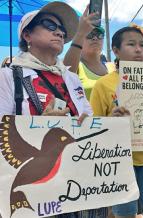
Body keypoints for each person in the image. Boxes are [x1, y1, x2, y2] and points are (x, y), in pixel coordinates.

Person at [0, 2, 106, 218]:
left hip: (74, 184)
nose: (59, 31)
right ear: (27, 36)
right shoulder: (8, 76)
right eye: (49, 24)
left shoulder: (72, 79)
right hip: (33, 193)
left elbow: (88, 120)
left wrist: (112, 122)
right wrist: (40, 125)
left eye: (62, 30)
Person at [90, 26, 143, 218]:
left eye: (142, 45)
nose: (139, 49)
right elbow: (92, 127)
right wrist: (112, 121)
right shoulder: (103, 84)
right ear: (116, 51)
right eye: (131, 44)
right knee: (123, 215)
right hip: (118, 160)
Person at [63, 7, 107, 99]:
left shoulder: (113, 67)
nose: (95, 38)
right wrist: (80, 33)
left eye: (99, 35)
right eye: (90, 35)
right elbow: (65, 74)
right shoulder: (76, 66)